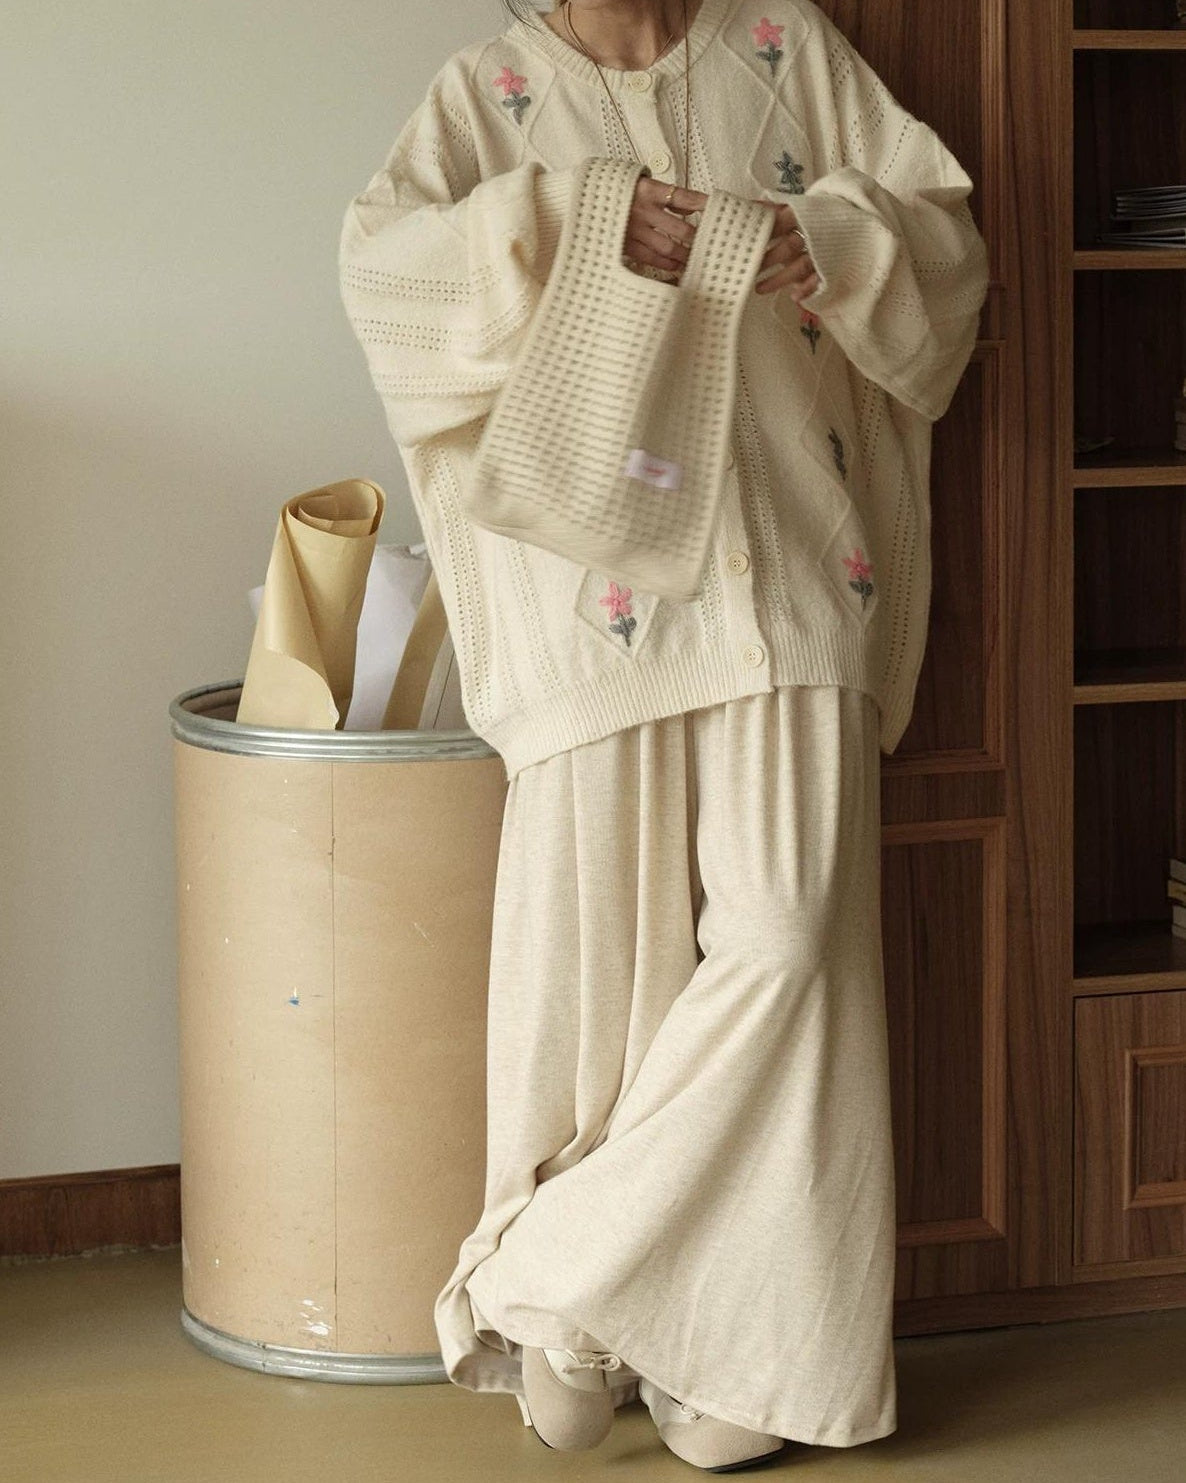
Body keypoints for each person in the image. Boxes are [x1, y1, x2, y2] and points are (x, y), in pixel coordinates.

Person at [338, 0, 989, 1471]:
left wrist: (829, 243)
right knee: (602, 990)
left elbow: (943, 242)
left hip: (796, 568)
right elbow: (385, 284)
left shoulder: (784, 49)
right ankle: (662, 1349)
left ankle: (555, 1284)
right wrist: (572, 221)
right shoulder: (486, 93)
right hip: (586, 606)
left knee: (790, 944)